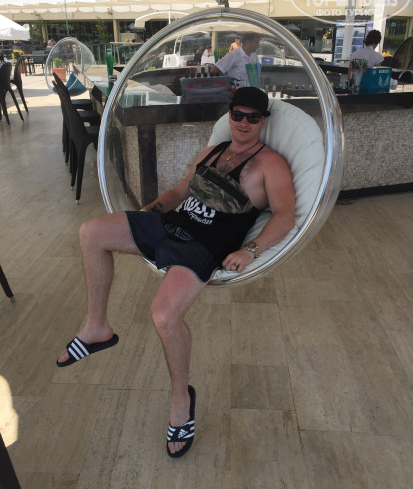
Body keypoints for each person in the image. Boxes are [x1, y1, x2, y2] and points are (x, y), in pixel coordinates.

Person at [56, 87, 295, 458]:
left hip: (204, 246)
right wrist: (146, 214)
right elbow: (180, 192)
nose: (244, 123)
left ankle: (181, 398)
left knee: (164, 316)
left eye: (254, 117)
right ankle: (96, 327)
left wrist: (250, 250)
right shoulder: (211, 152)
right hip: (171, 225)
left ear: (264, 121)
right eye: (238, 114)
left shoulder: (270, 164)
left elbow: (286, 216)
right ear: (229, 115)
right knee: (91, 232)